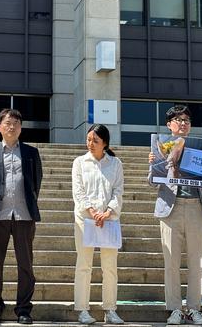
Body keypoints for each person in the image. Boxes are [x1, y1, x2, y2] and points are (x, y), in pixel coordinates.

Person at [148, 105, 202, 325]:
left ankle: (193, 309)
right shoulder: (160, 148)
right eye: (178, 120)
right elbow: (152, 182)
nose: (183, 123)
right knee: (171, 262)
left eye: (186, 120)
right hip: (170, 208)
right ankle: (174, 309)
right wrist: (154, 165)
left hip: (196, 207)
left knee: (195, 262)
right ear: (169, 125)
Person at [0, 108, 43, 325]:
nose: (12, 126)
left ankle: (24, 309)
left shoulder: (31, 153)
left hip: (24, 216)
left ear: (21, 127)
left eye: (16, 123)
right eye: (7, 123)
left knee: (25, 264)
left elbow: (36, 182)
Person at [72, 124, 124, 325]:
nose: (90, 144)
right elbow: (78, 191)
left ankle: (110, 309)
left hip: (109, 221)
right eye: (88, 140)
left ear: (105, 143)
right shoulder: (79, 162)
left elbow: (118, 191)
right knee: (84, 265)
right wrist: (93, 212)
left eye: (95, 141)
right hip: (85, 219)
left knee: (110, 267)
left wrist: (108, 212)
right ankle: (83, 310)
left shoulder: (115, 163)